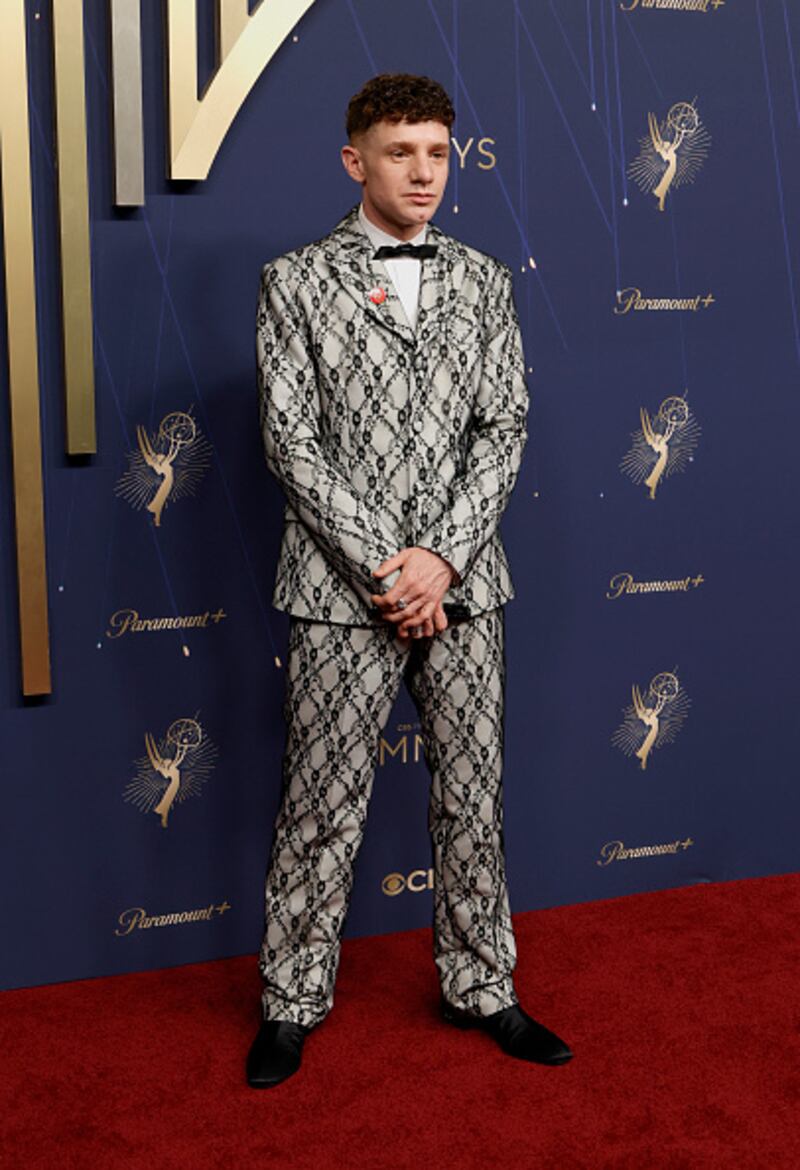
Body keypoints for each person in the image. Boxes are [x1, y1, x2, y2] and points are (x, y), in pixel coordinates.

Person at [247, 72, 572, 1089]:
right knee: (320, 804)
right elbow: (291, 442)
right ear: (356, 161)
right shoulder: (294, 280)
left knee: (473, 799)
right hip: (338, 593)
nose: (423, 172)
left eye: (437, 153)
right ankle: (290, 1000)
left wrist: (442, 558)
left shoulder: (484, 279)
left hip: (463, 586)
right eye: (400, 153)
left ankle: (482, 986)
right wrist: (387, 567)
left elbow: (503, 427)